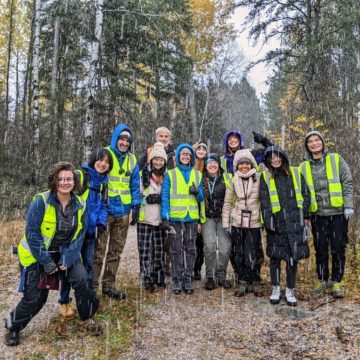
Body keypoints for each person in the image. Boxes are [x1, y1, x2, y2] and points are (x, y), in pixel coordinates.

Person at [5, 162, 99, 346]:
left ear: (75, 181)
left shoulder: (80, 204)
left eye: (69, 179)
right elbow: (32, 234)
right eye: (61, 179)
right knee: (36, 298)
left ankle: (88, 317)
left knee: (82, 279)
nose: (65, 182)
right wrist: (47, 262)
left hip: (65, 253)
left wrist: (69, 257)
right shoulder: (41, 201)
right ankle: (13, 326)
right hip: (37, 254)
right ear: (54, 181)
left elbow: (80, 234)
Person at [58, 149, 112, 318]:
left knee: (89, 266)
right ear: (93, 160)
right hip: (74, 234)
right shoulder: (81, 176)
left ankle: (85, 299)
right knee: (69, 266)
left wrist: (102, 223)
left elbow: (104, 204)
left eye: (106, 162)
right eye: (100, 160)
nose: (103, 164)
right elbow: (66, 198)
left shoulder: (104, 182)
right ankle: (64, 301)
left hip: (90, 233)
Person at [300, 131, 354, 298]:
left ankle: (336, 282)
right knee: (320, 249)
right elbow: (303, 193)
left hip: (338, 213)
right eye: (310, 141)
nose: (314, 143)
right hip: (318, 215)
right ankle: (323, 280)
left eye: (317, 140)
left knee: (338, 248)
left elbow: (347, 182)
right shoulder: (303, 167)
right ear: (307, 146)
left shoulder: (336, 159)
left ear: (322, 143)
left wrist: (348, 205)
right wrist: (306, 215)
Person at [93, 124, 141, 300]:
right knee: (98, 251)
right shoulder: (105, 154)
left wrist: (136, 205)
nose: (124, 143)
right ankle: (92, 288)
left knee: (116, 251)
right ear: (115, 138)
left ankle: (109, 286)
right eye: (122, 139)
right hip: (105, 210)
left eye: (128, 140)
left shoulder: (132, 160)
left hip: (123, 212)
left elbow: (135, 184)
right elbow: (95, 174)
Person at [260, 146, 310, 306]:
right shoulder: (265, 176)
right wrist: (268, 221)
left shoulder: (295, 172)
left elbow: (306, 194)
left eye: (277, 156)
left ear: (283, 157)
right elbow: (265, 201)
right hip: (276, 222)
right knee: (275, 257)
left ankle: (290, 289)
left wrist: (306, 215)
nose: (275, 160)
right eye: (271, 158)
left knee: (292, 258)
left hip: (295, 220)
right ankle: (275, 288)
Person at [161, 144, 205, 294]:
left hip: (191, 218)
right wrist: (164, 216)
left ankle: (188, 278)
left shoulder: (198, 175)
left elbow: (201, 198)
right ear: (178, 157)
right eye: (183, 154)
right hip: (175, 218)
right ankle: (177, 279)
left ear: (192, 157)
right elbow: (165, 197)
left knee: (191, 249)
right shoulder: (170, 174)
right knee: (175, 249)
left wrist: (197, 192)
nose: (186, 157)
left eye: (188, 155)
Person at [222, 149, 264, 297]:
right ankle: (242, 281)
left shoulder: (259, 178)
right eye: (241, 164)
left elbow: (263, 200)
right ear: (236, 166)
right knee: (239, 253)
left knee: (254, 253)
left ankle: (255, 280)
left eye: (247, 163)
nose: (244, 166)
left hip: (254, 223)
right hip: (237, 222)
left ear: (251, 164)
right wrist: (226, 223)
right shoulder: (233, 180)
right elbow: (227, 203)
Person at [138, 142, 167, 292]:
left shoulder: (166, 175)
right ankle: (147, 278)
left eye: (161, 160)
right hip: (145, 216)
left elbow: (168, 194)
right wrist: (146, 197)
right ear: (151, 160)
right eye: (155, 159)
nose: (158, 162)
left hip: (160, 218)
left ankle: (159, 276)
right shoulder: (143, 173)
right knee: (145, 250)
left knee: (159, 249)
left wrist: (159, 198)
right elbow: (137, 192)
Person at [202, 153, 233, 290]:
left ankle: (221, 275)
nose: (212, 165)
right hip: (207, 217)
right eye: (209, 163)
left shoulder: (227, 178)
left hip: (223, 217)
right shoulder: (201, 178)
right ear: (206, 165)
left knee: (225, 247)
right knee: (209, 247)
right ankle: (210, 276)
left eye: (215, 162)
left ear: (218, 165)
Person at [193, 140, 208, 280]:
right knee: (191, 241)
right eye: (199, 149)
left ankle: (197, 268)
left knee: (201, 242)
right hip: (193, 206)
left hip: (205, 207)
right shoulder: (191, 166)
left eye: (204, 149)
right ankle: (190, 268)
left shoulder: (208, 166)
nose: (201, 152)